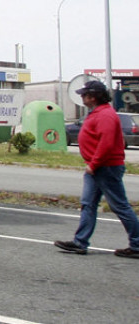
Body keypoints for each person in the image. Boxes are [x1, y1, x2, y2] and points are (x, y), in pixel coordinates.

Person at [54, 80, 139, 258]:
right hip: (98, 167)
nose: (82, 97)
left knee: (120, 206)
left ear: (93, 97)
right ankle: (80, 242)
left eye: (84, 95)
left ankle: (137, 244)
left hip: (105, 167)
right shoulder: (97, 113)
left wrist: (94, 165)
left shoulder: (105, 115)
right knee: (88, 204)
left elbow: (106, 144)